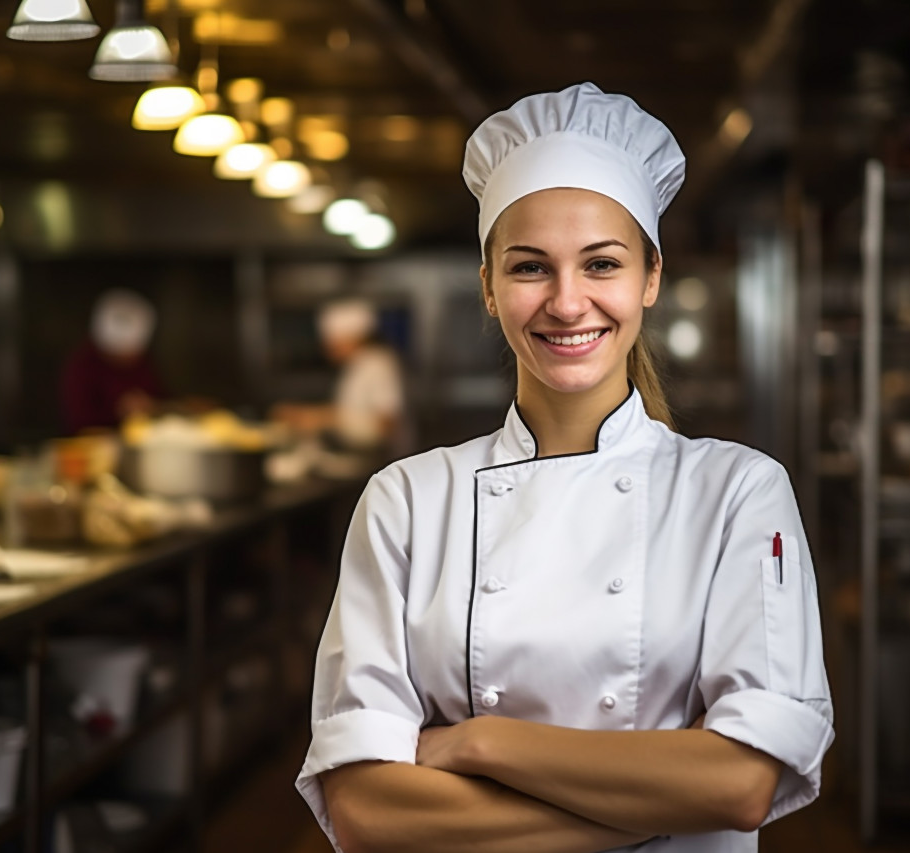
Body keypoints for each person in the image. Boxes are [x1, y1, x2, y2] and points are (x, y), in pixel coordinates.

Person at [296, 82, 834, 852]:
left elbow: (742, 783)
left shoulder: (738, 492)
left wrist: (483, 743)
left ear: (650, 278)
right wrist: (666, 795)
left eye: (602, 264)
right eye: (529, 268)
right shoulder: (408, 501)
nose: (568, 301)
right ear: (487, 286)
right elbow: (365, 807)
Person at [273, 298, 408, 457]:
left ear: (354, 337)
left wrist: (321, 419)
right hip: (357, 454)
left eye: (333, 341)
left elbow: (386, 425)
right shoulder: (356, 364)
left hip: (377, 459)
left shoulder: (378, 363)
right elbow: (351, 411)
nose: (326, 348)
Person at [60, 289, 166, 434]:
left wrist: (152, 407)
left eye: (132, 352)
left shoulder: (143, 365)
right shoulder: (82, 366)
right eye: (119, 353)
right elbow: (79, 421)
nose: (127, 358)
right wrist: (119, 412)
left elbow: (160, 397)